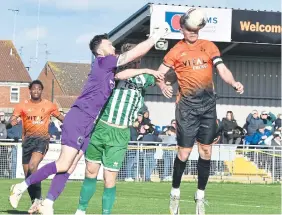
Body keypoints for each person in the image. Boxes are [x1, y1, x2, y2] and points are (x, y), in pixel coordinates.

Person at [9, 23, 170, 215]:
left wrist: (149, 71)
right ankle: (21, 186)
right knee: (63, 164)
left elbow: (124, 73)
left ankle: (49, 203)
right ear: (100, 50)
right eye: (110, 45)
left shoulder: (109, 70)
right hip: (78, 118)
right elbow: (131, 56)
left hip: (88, 124)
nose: (113, 48)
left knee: (70, 167)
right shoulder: (104, 62)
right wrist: (155, 37)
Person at [156, 11, 244, 215]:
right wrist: (162, 85)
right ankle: (175, 192)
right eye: (190, 29)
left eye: (196, 29)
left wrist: (233, 82)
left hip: (207, 107)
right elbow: (159, 73)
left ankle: (200, 196)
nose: (193, 32)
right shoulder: (175, 51)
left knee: (206, 152)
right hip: (186, 107)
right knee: (184, 153)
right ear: (182, 29)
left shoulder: (209, 46)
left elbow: (222, 69)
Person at [74, 42, 169, 215]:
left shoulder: (144, 79)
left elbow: (162, 77)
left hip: (120, 132)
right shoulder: (113, 71)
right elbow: (122, 75)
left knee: (109, 179)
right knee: (90, 172)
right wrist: (147, 70)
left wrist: (166, 80)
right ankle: (81, 211)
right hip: (101, 127)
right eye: (134, 61)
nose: (137, 64)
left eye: (139, 61)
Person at [6, 80, 64, 213]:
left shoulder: (49, 105)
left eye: (39, 89)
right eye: (34, 89)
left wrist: (74, 125)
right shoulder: (22, 106)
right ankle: (35, 201)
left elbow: (61, 117)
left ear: (41, 90)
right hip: (27, 141)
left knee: (33, 166)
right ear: (30, 90)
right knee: (28, 175)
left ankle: (34, 199)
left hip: (42, 140)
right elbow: (11, 121)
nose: (36, 91)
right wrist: (13, 122)